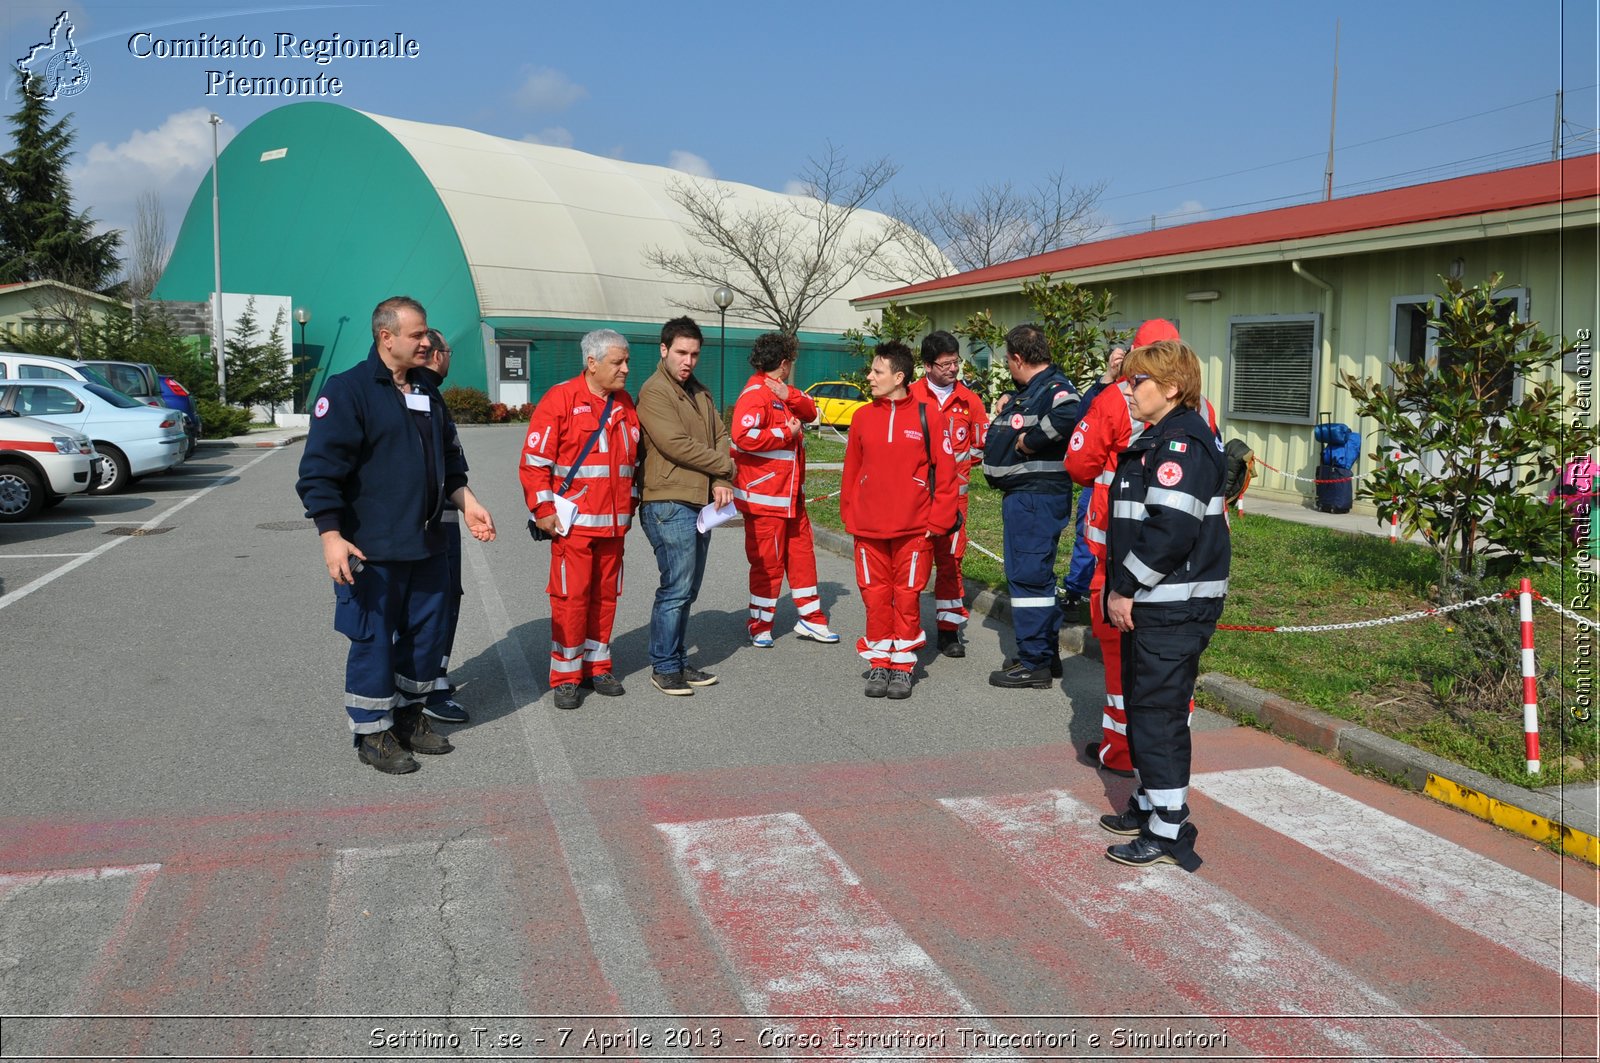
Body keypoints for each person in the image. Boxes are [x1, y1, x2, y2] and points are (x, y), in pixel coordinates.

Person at [296, 296, 496, 775]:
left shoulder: (427, 389)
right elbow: (318, 474)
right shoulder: (348, 392)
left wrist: (469, 504)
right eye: (417, 334)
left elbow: (449, 461)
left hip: (426, 544)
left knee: (427, 637)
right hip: (372, 548)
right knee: (373, 641)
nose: (427, 341)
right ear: (386, 337)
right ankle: (372, 732)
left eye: (426, 333)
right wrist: (330, 536)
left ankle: (407, 717)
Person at [1099, 339, 1230, 871]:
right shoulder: (1161, 438)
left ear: (1171, 388)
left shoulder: (1181, 444)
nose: (1129, 390)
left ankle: (1168, 827)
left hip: (1171, 605)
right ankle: (1152, 801)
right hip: (1156, 602)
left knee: (1158, 715)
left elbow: (1171, 530)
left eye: (1138, 382)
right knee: (1144, 707)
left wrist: (1125, 586)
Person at [1063, 320, 1179, 776]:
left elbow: (1078, 463)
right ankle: (1165, 749)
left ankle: (1122, 749)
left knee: (1117, 655)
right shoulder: (1200, 405)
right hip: (1174, 553)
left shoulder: (1114, 399)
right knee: (1166, 659)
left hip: (1115, 549)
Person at [520, 329, 641, 710]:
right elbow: (535, 462)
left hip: (614, 527)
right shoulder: (561, 399)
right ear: (592, 363)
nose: (625, 369)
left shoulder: (625, 404)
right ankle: (567, 675)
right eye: (617, 362)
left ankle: (598, 665)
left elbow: (632, 464)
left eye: (626, 361)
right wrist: (543, 510)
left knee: (606, 597)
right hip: (574, 527)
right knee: (572, 600)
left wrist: (632, 504)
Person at [841, 342, 960, 699]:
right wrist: (850, 513)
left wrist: (937, 522)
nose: (870, 377)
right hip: (869, 528)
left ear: (899, 376)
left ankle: (903, 664)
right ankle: (879, 660)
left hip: (914, 528)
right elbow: (852, 471)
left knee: (907, 597)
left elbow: (948, 472)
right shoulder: (862, 417)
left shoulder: (930, 415)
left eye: (877, 372)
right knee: (875, 596)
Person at [635, 316, 735, 696]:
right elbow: (674, 443)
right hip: (667, 501)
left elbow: (720, 435)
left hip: (699, 504)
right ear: (664, 350)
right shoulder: (654, 392)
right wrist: (725, 466)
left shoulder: (701, 392)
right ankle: (663, 666)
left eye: (694, 353)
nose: (688, 360)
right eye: (681, 352)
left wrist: (722, 480)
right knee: (676, 588)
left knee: (688, 589)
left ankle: (675, 660)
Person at [980, 323, 1081, 688]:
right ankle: (1044, 653)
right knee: (1036, 576)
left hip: (1036, 498)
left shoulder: (1056, 389)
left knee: (1027, 578)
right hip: (1029, 498)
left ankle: (1035, 662)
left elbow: (1071, 412)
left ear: (1018, 358)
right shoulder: (1034, 388)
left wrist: (1030, 442)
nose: (1008, 367)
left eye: (1008, 361)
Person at [730, 331, 838, 648]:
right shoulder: (756, 395)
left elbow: (812, 412)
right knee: (768, 563)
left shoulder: (779, 392)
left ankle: (811, 619)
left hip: (789, 497)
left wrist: (788, 394)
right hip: (765, 499)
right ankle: (759, 625)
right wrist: (784, 433)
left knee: (802, 558)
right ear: (784, 362)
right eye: (791, 361)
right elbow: (742, 436)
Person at [907, 330, 987, 658]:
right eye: (945, 364)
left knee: (951, 562)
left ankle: (948, 630)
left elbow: (979, 448)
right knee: (914, 561)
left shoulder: (970, 401)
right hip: (915, 501)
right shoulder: (908, 396)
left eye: (956, 363)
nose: (952, 369)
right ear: (927, 366)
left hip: (955, 501)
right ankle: (907, 627)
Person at [413, 327, 469, 725]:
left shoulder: (429, 395)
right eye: (447, 351)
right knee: (437, 600)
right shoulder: (419, 395)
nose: (449, 358)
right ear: (435, 355)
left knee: (446, 597)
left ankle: (434, 676)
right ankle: (428, 685)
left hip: (443, 513)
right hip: (431, 521)